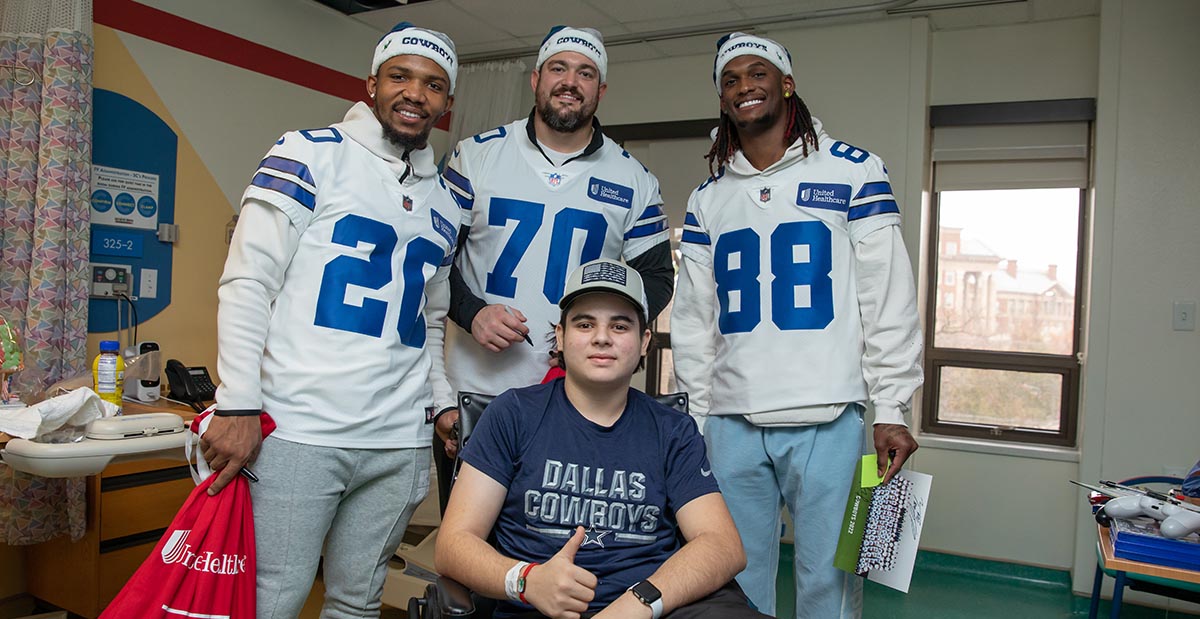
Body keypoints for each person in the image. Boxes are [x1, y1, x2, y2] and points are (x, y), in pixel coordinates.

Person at [200, 22, 461, 618]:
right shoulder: (308, 152)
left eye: (434, 85)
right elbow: (247, 281)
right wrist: (238, 402)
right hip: (302, 429)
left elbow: (432, 320)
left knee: (358, 602)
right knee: (273, 599)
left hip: (398, 439)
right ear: (372, 83)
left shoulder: (446, 200)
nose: (415, 93)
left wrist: (439, 405)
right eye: (400, 76)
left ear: (447, 104)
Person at [671, 33, 924, 618]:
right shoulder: (708, 197)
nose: (743, 87)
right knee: (735, 576)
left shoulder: (854, 170)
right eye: (729, 81)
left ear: (787, 84)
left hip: (828, 416)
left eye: (757, 74)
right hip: (733, 421)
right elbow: (692, 320)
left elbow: (886, 297)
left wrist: (891, 407)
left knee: (828, 584)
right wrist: (697, 415)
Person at [436, 258, 769, 619]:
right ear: (560, 337)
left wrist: (638, 603)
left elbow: (722, 545)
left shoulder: (672, 430)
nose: (601, 337)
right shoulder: (512, 415)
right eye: (584, 323)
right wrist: (527, 580)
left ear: (644, 343)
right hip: (541, 606)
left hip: (650, 608)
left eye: (620, 325)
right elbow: (453, 545)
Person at [437, 26, 675, 456]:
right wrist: (472, 313)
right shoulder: (476, 156)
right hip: (476, 390)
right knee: (467, 524)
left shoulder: (633, 178)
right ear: (536, 79)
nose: (570, 81)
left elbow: (656, 279)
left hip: (578, 397)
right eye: (558, 68)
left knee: (567, 524)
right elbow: (432, 260)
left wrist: (596, 335)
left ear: (600, 90)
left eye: (585, 73)